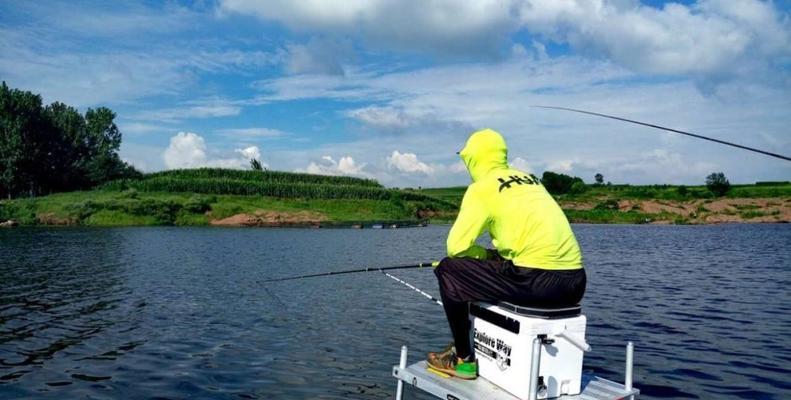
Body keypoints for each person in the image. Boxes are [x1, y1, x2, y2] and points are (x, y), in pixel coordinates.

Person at [426, 128, 586, 379]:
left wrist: (486, 256)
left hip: (536, 283)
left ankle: (463, 359)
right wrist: (498, 257)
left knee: (449, 269)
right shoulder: (531, 180)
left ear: (474, 159)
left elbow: (456, 247)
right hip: (575, 283)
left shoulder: (481, 189)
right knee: (479, 269)